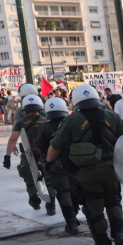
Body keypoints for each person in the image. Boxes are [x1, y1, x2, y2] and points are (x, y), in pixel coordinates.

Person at [46, 85, 123, 245]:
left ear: (75, 102)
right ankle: (119, 234)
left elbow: (55, 146)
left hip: (86, 172)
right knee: (113, 201)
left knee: (94, 208)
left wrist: (47, 162)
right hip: (112, 169)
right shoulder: (112, 116)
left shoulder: (71, 120)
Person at [34, 97, 81, 234]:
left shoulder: (46, 128)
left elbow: (37, 148)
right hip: (75, 162)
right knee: (75, 191)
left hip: (56, 165)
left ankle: (72, 224)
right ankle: (75, 216)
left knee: (63, 194)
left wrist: (37, 160)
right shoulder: (73, 123)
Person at [3, 93, 54, 213]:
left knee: (30, 179)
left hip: (28, 156)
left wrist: (7, 156)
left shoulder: (20, 122)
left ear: (25, 109)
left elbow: (13, 139)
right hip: (45, 154)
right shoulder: (46, 121)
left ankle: (35, 200)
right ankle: (51, 205)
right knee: (49, 180)